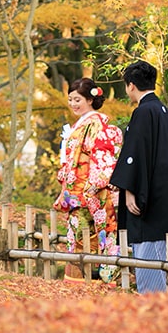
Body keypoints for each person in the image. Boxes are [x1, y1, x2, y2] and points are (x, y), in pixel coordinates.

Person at [109, 60, 168, 293]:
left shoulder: (144, 112)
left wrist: (130, 191)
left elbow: (136, 154)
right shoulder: (164, 112)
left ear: (131, 86)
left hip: (151, 203)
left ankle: (155, 304)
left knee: (152, 255)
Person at [55, 77, 123, 281]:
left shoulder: (96, 123)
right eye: (71, 100)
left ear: (90, 100)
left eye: (78, 100)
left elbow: (102, 156)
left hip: (90, 189)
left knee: (92, 234)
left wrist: (94, 184)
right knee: (82, 236)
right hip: (79, 188)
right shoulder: (83, 124)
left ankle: (95, 282)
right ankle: (81, 283)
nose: (73, 104)